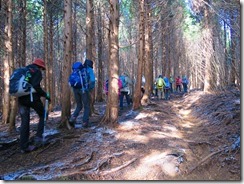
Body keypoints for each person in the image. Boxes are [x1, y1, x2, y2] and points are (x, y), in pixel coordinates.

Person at [18, 58, 51, 153]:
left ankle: (23, 147)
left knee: (24, 122)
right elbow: (36, 86)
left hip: (21, 98)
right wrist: (45, 95)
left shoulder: (25, 70)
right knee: (43, 114)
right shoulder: (36, 71)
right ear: (40, 66)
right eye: (42, 68)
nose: (41, 70)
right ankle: (39, 138)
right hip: (31, 98)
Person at [69, 59, 95, 128]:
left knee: (79, 105)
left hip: (75, 89)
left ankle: (72, 118)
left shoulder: (80, 69)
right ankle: (85, 122)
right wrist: (90, 88)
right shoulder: (89, 70)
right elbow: (92, 80)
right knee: (86, 106)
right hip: (83, 90)